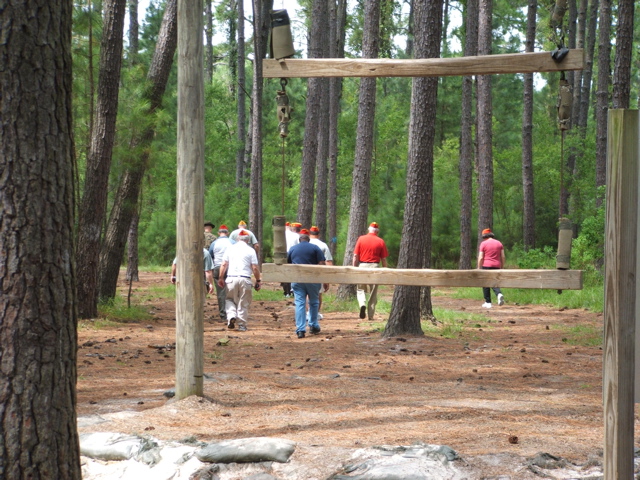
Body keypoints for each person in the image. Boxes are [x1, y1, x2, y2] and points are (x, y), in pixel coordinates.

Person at [288, 229, 328, 339]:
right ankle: (313, 325)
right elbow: (321, 263)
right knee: (314, 302)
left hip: (297, 279)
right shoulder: (315, 248)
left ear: (299, 240)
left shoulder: (293, 249)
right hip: (312, 279)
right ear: (308, 240)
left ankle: (300, 329)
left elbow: (288, 264)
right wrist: (323, 279)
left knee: (300, 303)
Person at [218, 230, 261, 331]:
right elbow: (254, 267)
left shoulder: (230, 249)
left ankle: (231, 316)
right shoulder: (251, 250)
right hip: (245, 278)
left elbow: (224, 264)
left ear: (238, 239)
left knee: (229, 299)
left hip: (231, 278)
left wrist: (220, 277)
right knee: (243, 301)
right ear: (248, 240)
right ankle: (241, 324)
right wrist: (258, 280)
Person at [353, 221, 389, 320]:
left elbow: (355, 256)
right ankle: (371, 315)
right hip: (375, 267)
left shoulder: (361, 239)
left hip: (362, 266)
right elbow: (384, 259)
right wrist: (385, 270)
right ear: (377, 231)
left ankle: (362, 304)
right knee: (373, 292)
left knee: (360, 289)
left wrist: (354, 267)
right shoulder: (380, 241)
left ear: (369, 229)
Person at [308, 225, 333, 321]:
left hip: (305, 273)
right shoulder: (323, 245)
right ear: (318, 234)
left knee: (306, 294)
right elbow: (328, 262)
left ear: (310, 234)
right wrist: (327, 279)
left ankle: (307, 313)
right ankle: (315, 314)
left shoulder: (304, 243)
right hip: (318, 274)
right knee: (318, 294)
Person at [477, 228, 506, 308]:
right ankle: (499, 294)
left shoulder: (483, 244)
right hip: (497, 266)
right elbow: (503, 256)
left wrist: (479, 268)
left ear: (484, 236)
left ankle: (488, 302)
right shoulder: (499, 243)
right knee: (494, 282)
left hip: (486, 265)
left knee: (485, 283)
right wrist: (502, 267)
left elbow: (481, 257)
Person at [209, 224, 232, 322]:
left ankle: (223, 314)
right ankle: (232, 313)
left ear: (218, 233)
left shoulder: (214, 243)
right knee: (232, 291)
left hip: (218, 267)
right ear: (228, 233)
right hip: (230, 267)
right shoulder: (232, 242)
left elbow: (210, 255)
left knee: (221, 292)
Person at [281, 221, 301, 298]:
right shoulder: (295, 235)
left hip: (283, 254)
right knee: (293, 271)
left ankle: (286, 292)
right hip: (293, 254)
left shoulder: (281, 235)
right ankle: (293, 289)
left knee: (285, 272)